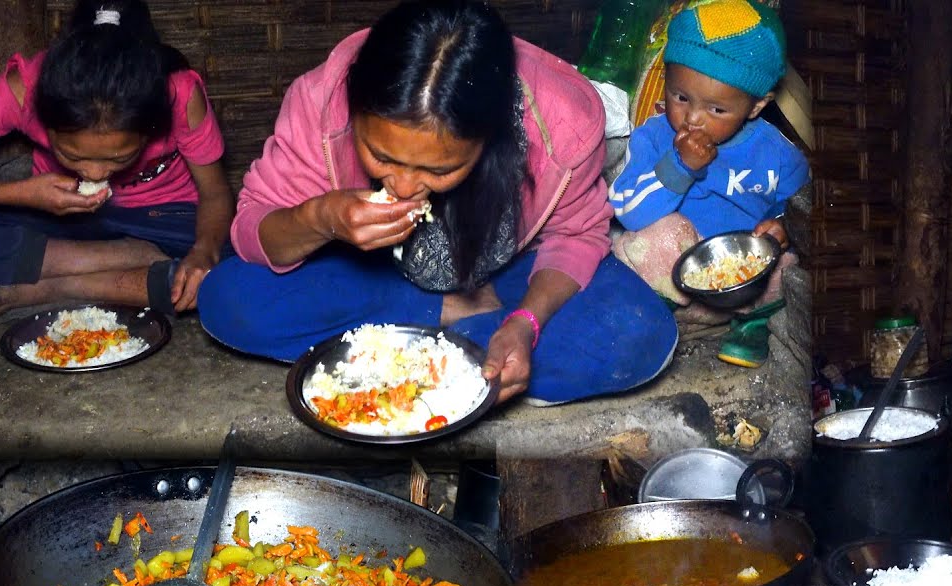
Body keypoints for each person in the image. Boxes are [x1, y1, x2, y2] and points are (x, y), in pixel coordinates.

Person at [196, 0, 678, 406]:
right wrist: (321, 217)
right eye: (381, 157)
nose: (405, 187)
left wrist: (526, 323)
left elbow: (577, 235)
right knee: (228, 298)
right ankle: (454, 347)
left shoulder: (562, 124)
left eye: (439, 169)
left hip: (509, 275)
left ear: (490, 139)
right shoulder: (322, 99)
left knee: (639, 334)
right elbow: (253, 227)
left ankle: (404, 360)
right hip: (372, 277)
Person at [0, 0, 232, 319]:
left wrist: (203, 253)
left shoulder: (177, 94)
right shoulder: (26, 88)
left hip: (163, 216)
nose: (95, 173)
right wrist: (21, 193)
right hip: (59, 220)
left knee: (230, 269)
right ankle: (132, 262)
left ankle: (59, 286)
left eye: (120, 158)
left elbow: (216, 194)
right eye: (71, 155)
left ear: (149, 127)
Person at [607, 0, 809, 367]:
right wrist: (680, 167)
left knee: (789, 266)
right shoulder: (653, 138)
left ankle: (750, 326)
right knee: (648, 238)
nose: (694, 118)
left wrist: (782, 230)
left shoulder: (780, 156)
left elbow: (798, 213)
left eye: (716, 109)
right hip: (666, 286)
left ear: (756, 106)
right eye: (680, 97)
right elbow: (628, 212)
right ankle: (654, 324)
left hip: (740, 290)